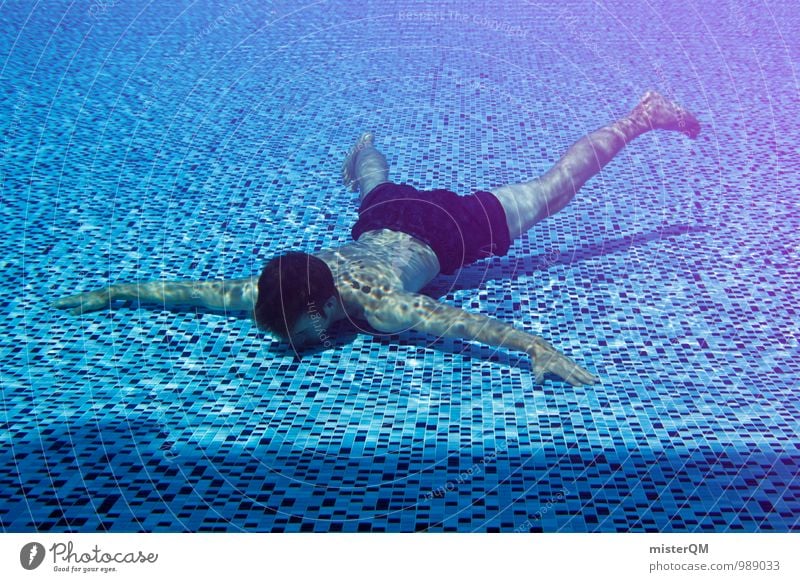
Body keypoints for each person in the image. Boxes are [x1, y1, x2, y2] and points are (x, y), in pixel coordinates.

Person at [54, 91, 700, 386]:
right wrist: (114, 293)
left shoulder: (381, 303)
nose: (293, 344)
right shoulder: (269, 291)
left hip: (456, 227)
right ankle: (362, 148)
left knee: (555, 189)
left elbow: (466, 324)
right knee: (373, 185)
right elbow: (190, 293)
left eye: (298, 336)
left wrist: (535, 347)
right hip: (382, 216)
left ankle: (642, 115)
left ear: (327, 306)